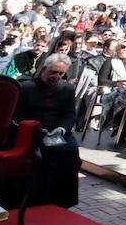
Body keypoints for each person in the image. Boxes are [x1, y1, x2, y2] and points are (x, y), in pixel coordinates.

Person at [15, 52, 80, 207]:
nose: (57, 76)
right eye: (53, 72)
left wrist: (62, 129)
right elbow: (17, 116)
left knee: (70, 151)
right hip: (31, 131)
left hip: (56, 131)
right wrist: (35, 129)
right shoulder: (26, 87)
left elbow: (70, 115)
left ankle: (61, 201)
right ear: (44, 69)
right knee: (39, 153)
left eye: (61, 73)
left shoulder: (67, 89)